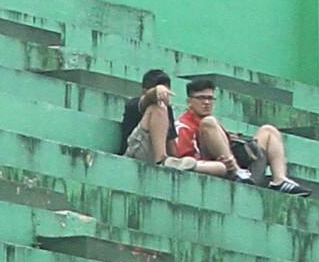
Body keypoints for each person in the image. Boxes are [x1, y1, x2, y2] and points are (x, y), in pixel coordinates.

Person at [119, 71, 304, 192]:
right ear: (189, 101)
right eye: (201, 98)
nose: (206, 102)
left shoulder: (177, 116)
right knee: (210, 136)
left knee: (268, 131)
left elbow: (175, 153)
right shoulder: (144, 106)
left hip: (240, 171)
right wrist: (155, 93)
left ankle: (279, 180)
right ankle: (235, 171)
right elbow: (181, 154)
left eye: (210, 98)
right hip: (148, 155)